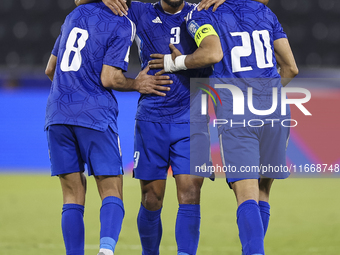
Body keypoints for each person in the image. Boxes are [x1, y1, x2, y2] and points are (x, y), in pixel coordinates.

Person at [73, 0, 224, 254]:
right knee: (151, 198)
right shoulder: (140, 12)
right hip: (151, 119)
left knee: (190, 192)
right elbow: (79, 2)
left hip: (192, 119)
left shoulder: (199, 13)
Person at [149, 0, 299, 254]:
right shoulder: (263, 10)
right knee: (263, 191)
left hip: (237, 110)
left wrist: (175, 62)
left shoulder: (202, 14)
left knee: (247, 194)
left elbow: (211, 54)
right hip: (275, 109)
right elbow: (291, 68)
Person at [44, 1, 172, 255]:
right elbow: (109, 77)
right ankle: (106, 250)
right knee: (111, 188)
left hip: (57, 113)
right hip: (95, 115)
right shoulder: (122, 23)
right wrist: (137, 84)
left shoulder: (75, 14)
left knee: (71, 195)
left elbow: (50, 69)